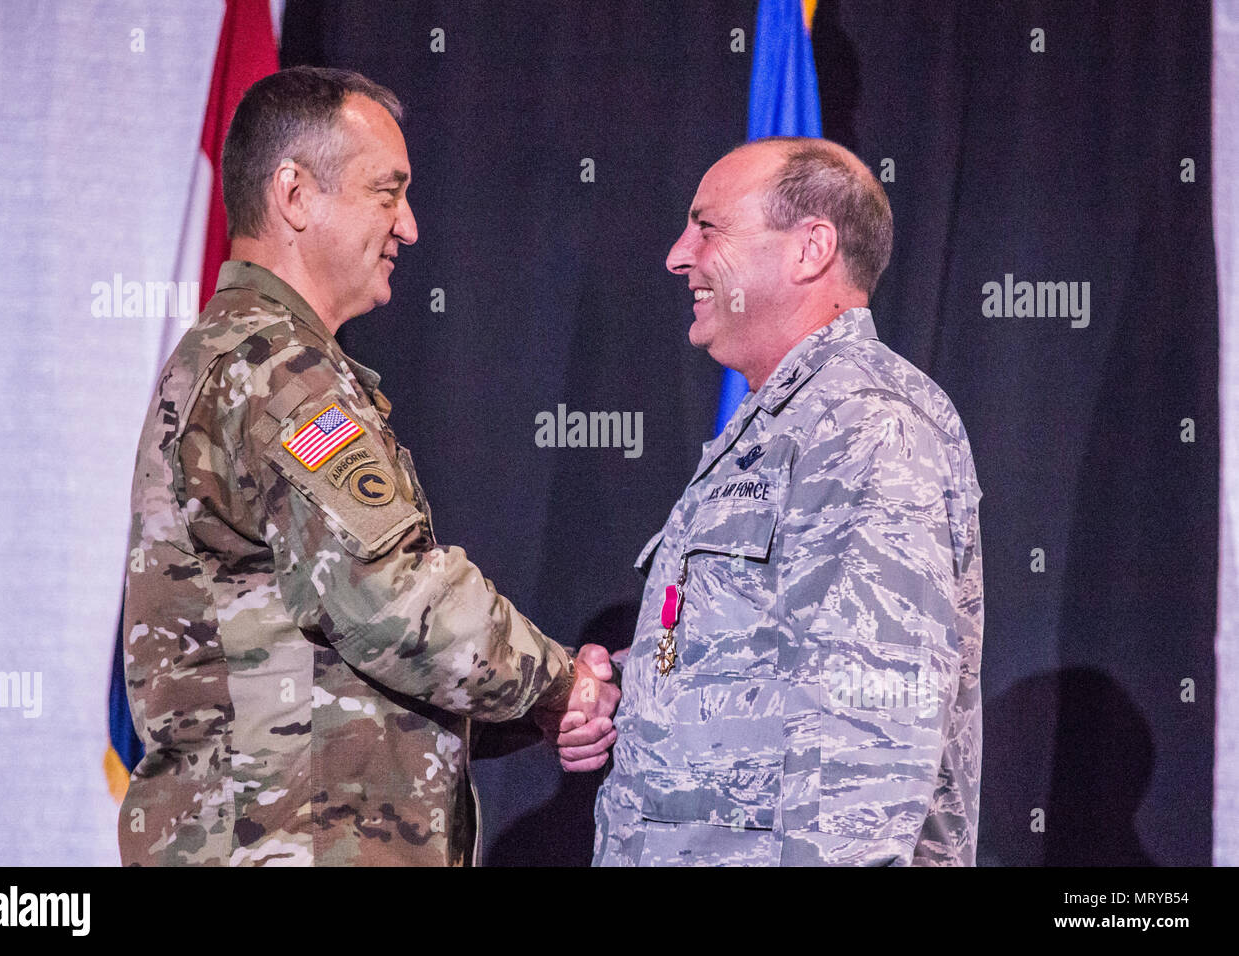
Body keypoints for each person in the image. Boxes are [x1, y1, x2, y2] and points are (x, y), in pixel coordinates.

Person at [119, 66, 618, 867]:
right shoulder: (278, 369)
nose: (410, 225)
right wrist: (562, 684)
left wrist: (537, 710)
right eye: (387, 192)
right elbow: (393, 604)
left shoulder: (252, 356)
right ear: (294, 195)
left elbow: (332, 656)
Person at [592, 137, 983, 866]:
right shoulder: (780, 422)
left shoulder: (868, 422)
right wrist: (625, 681)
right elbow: (754, 656)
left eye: (708, 227)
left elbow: (867, 736)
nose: (680, 256)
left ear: (810, 250)